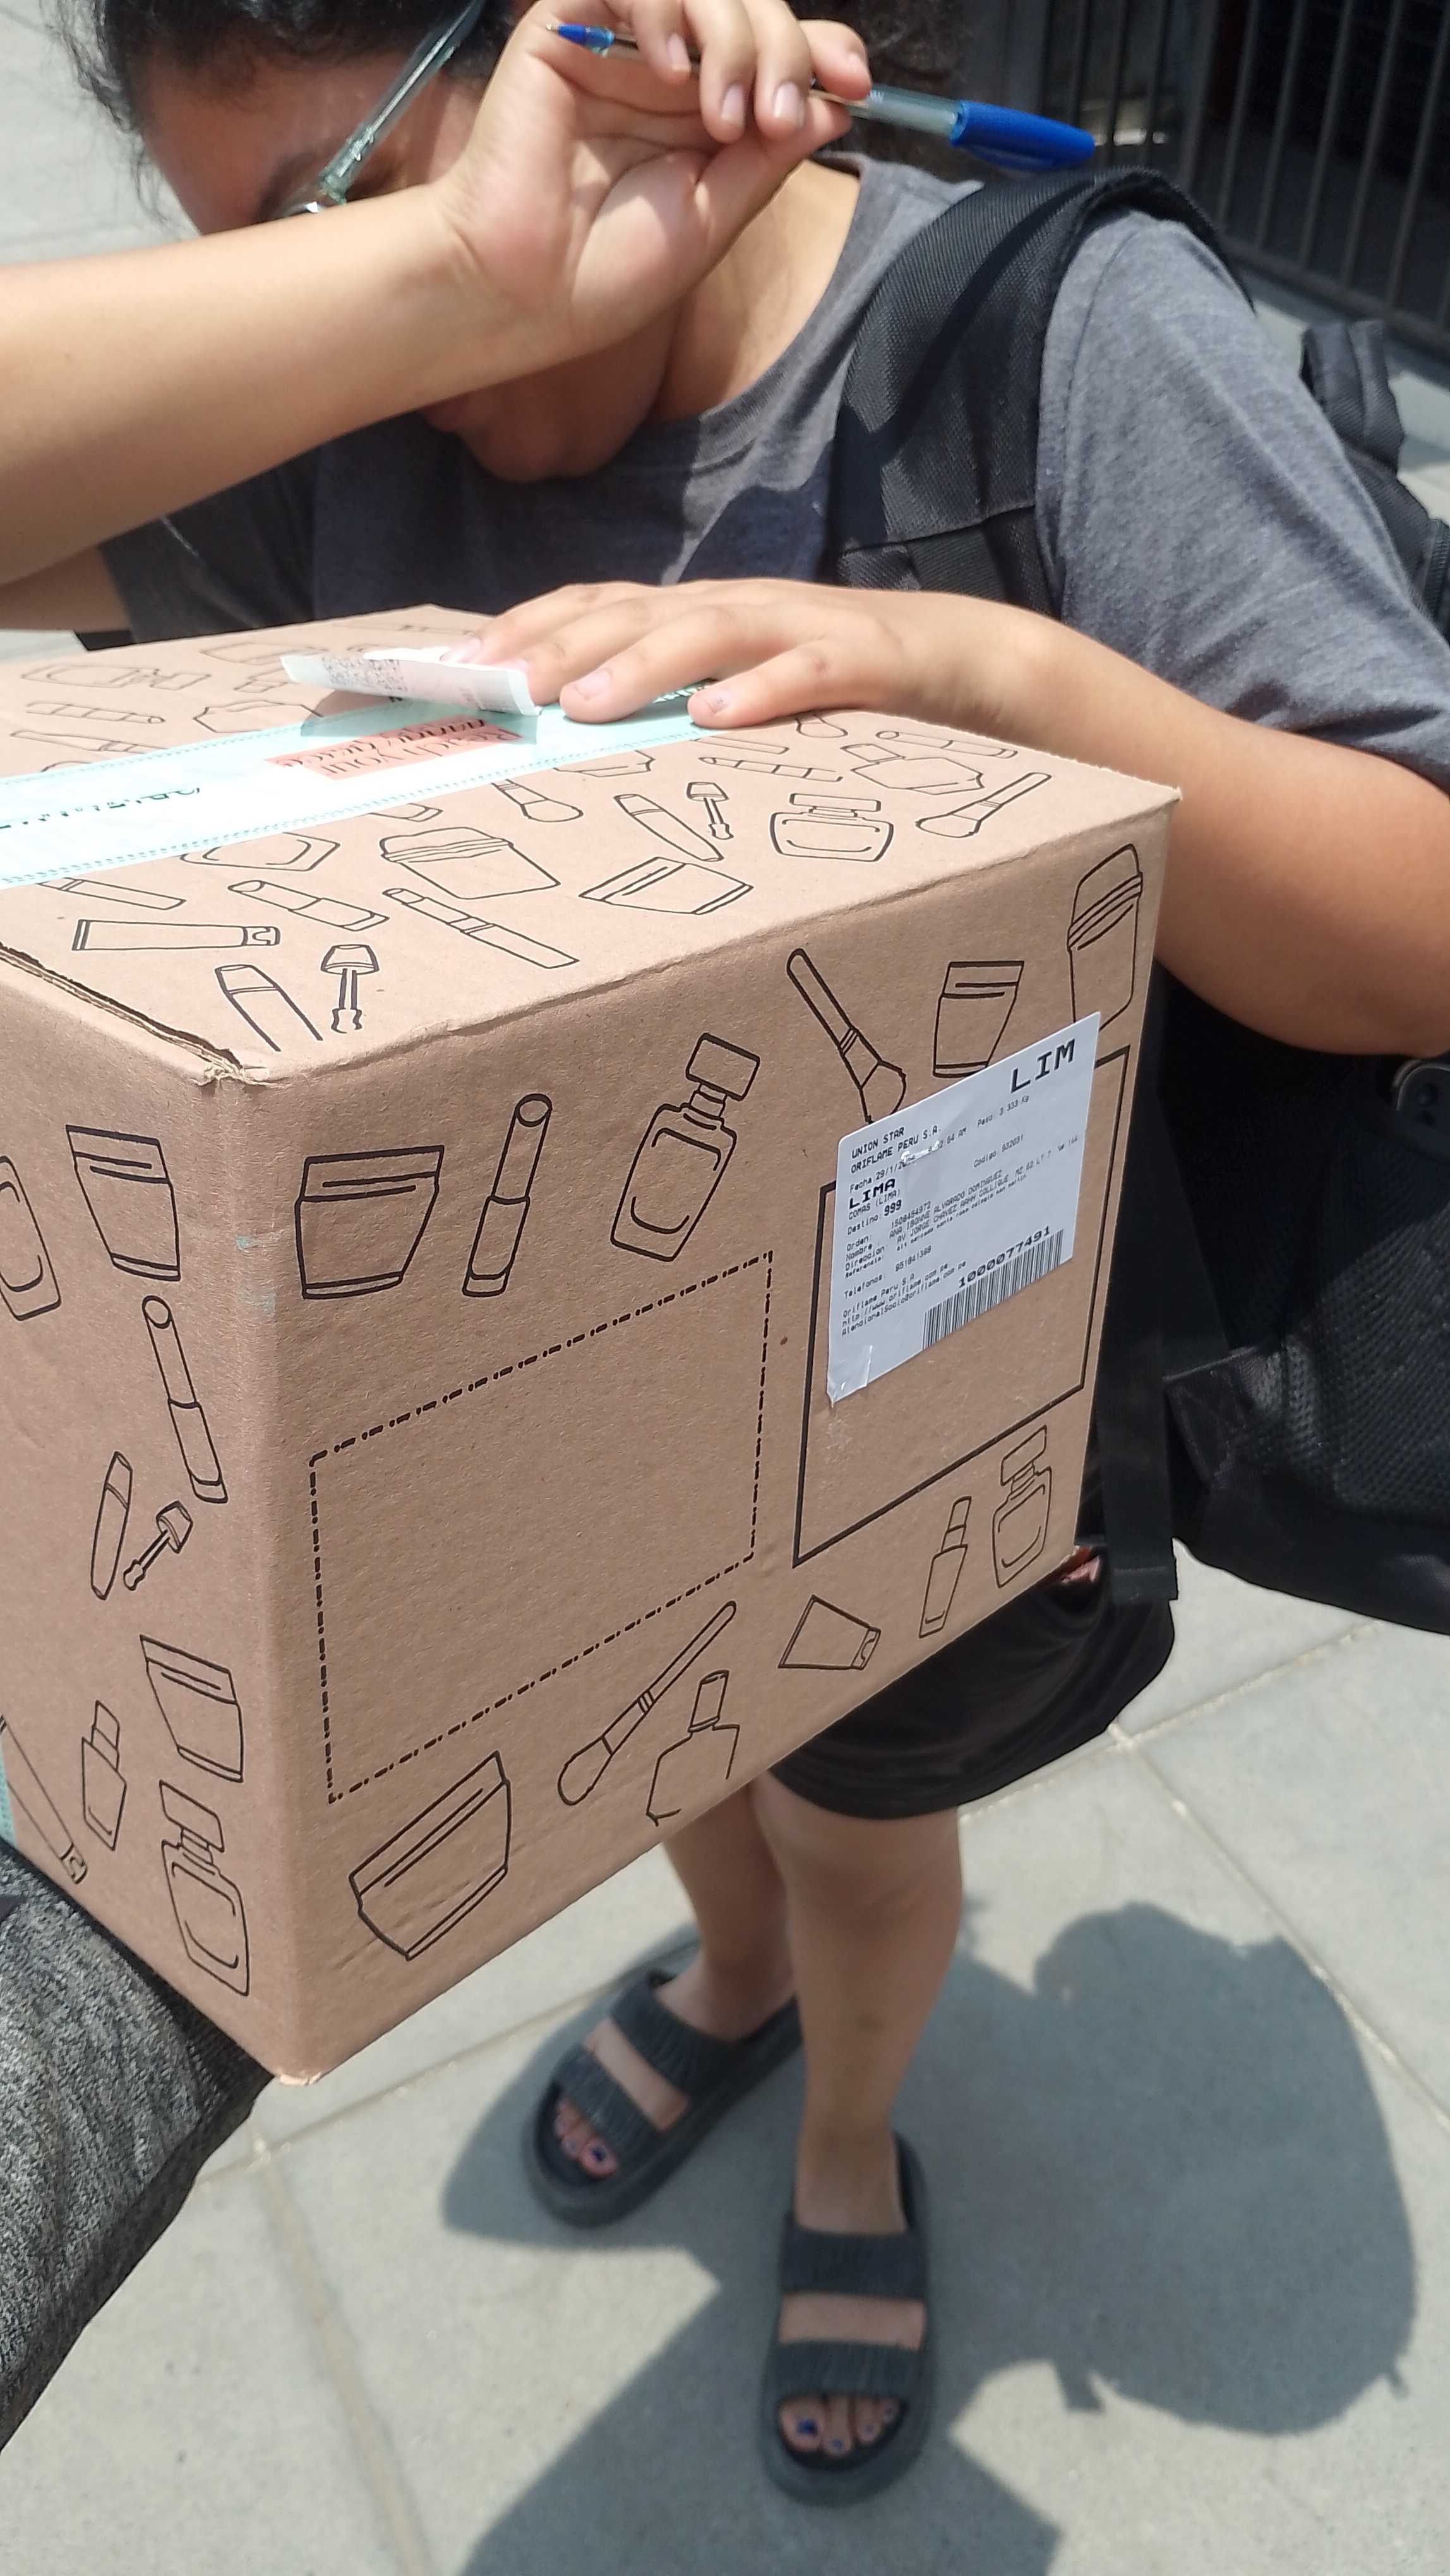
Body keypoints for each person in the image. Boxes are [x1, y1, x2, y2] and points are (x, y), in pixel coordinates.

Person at [5, 0, 1449, 2501]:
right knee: (693, 1770)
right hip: (585, 1495)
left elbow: (1419, 918)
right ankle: (735, 1965)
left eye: (349, 192)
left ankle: (849, 2132)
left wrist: (987, 675)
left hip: (964, 1437)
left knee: (861, 1813)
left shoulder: (1057, 346)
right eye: (257, 255)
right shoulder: (351, 424)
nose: (325, 303)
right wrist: (441, 276)